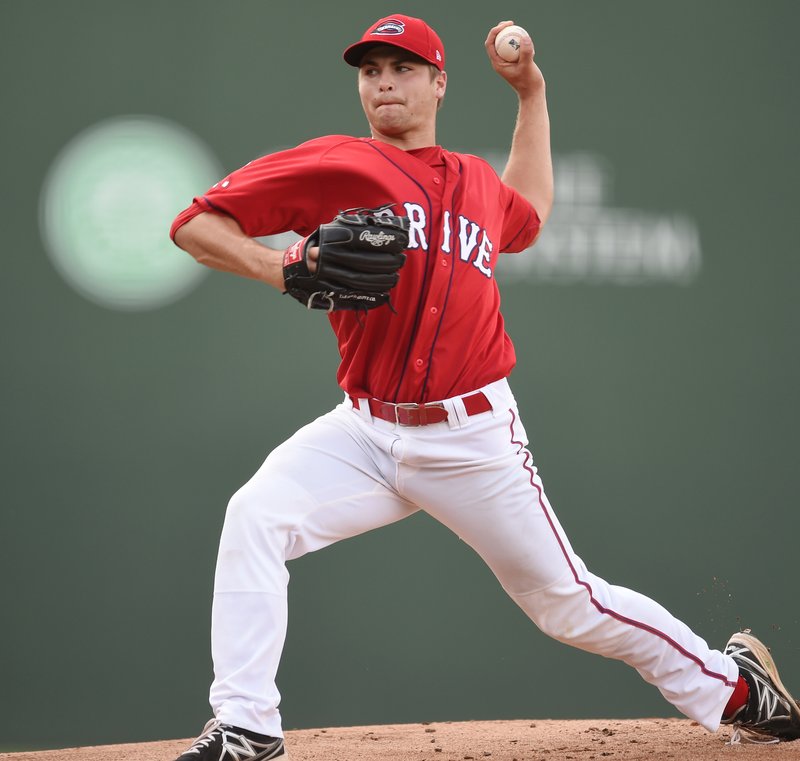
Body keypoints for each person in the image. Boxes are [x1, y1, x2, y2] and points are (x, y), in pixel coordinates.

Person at [169, 14, 800, 761]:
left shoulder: (474, 179)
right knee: (255, 516)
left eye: (402, 69)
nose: (384, 83)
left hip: (472, 437)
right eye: (370, 71)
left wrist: (531, 92)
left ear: (439, 83)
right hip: (364, 431)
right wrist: (280, 267)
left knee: (569, 604)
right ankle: (245, 724)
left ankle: (736, 688)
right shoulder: (334, 163)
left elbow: (528, 210)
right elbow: (194, 224)